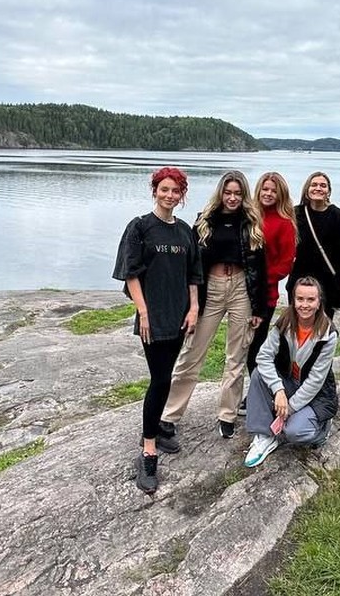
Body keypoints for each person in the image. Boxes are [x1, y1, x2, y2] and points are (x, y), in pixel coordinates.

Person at [112, 166, 201, 494]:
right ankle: (148, 450)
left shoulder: (184, 232)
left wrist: (193, 309)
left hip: (179, 316)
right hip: (153, 317)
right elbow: (130, 273)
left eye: (175, 191)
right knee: (161, 378)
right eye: (164, 189)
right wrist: (143, 311)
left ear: (181, 195)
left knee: (166, 375)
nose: (169, 195)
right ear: (155, 191)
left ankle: (159, 431)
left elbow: (194, 273)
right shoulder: (140, 227)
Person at [160, 170, 266, 443]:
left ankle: (227, 415)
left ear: (244, 196)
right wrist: (191, 303)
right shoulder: (205, 221)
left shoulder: (251, 223)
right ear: (221, 193)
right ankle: (169, 415)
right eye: (228, 192)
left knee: (236, 356)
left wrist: (259, 309)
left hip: (241, 288)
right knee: (192, 352)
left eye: (237, 193)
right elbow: (193, 264)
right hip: (212, 288)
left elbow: (259, 268)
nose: (232, 198)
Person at [243, 276, 339, 467]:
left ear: (319, 302)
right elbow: (263, 357)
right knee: (259, 374)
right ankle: (264, 435)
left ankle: (322, 428)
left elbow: (315, 381)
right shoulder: (285, 322)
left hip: (317, 395)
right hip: (288, 382)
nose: (305, 305)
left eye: (311, 300)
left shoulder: (328, 334)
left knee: (294, 432)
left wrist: (288, 408)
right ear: (293, 300)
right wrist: (278, 390)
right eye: (300, 299)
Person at [243, 171, 298, 400]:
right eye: (265, 189)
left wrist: (259, 279)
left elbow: (285, 265)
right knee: (241, 348)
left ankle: (261, 392)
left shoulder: (284, 223)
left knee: (256, 348)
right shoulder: (248, 216)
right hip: (239, 290)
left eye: (273, 191)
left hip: (264, 294)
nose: (268, 193)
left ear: (280, 194)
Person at [287, 171, 340, 319]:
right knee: (296, 328)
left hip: (327, 285)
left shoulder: (337, 216)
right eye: (314, 185)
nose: (318, 188)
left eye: (323, 185)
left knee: (321, 332)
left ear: (328, 191)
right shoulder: (296, 214)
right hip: (299, 281)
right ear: (307, 189)